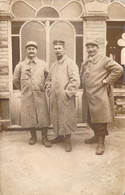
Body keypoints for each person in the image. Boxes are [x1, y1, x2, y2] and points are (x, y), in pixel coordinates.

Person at [80, 39, 123, 155]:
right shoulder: (86, 62)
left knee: (101, 120)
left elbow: (119, 69)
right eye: (88, 47)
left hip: (99, 95)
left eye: (92, 47)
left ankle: (101, 143)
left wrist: (107, 80)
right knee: (89, 118)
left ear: (97, 48)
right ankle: (96, 136)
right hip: (88, 95)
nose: (90, 49)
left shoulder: (104, 60)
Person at [13, 41, 51, 147]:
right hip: (27, 95)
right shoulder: (20, 66)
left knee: (43, 116)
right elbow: (15, 80)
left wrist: (45, 86)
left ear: (36, 50)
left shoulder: (43, 64)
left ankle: (45, 137)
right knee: (30, 115)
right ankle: (33, 136)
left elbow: (49, 77)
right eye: (29, 49)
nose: (31, 51)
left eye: (33, 49)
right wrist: (24, 89)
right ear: (26, 51)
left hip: (40, 94)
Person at [45, 40, 80, 152]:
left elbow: (75, 80)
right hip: (54, 97)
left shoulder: (70, 62)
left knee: (66, 118)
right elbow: (49, 79)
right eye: (55, 48)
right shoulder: (53, 65)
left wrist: (67, 93)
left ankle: (68, 141)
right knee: (56, 117)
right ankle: (59, 137)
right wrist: (49, 89)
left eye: (59, 48)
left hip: (65, 97)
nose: (57, 50)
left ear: (64, 49)